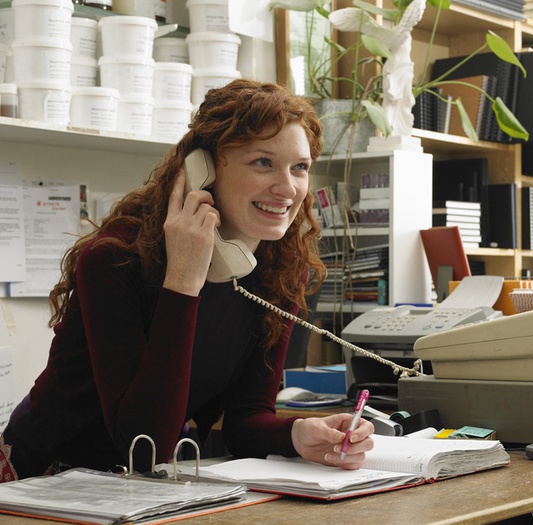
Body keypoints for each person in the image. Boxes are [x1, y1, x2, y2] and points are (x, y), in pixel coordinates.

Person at [0, 79, 374, 482]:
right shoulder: (114, 259)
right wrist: (183, 281)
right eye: (263, 162)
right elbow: (142, 445)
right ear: (204, 169)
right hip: (44, 479)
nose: (287, 188)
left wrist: (297, 434)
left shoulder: (279, 268)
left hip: (142, 489)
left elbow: (246, 419)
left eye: (299, 167)